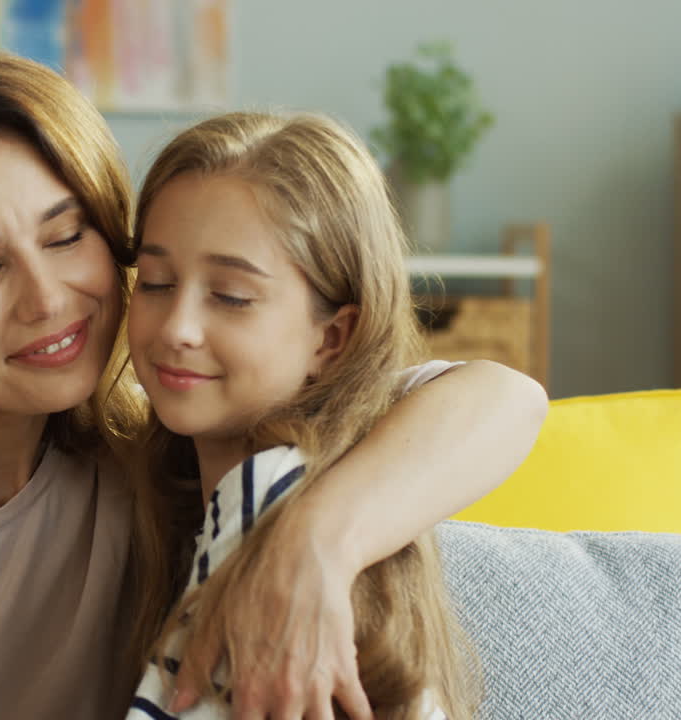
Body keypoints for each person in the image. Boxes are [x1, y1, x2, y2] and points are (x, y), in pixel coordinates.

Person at [0, 50, 546, 720]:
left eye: (66, 235)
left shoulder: (171, 470)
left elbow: (499, 398)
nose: (49, 301)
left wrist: (313, 543)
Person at [126, 111, 488, 719]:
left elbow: (509, 396)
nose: (177, 328)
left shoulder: (269, 494)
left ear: (332, 339)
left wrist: (315, 537)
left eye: (231, 296)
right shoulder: (186, 488)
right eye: (156, 282)